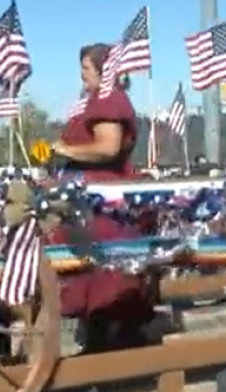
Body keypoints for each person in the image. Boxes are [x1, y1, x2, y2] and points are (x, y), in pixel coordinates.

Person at [49, 44, 155, 352]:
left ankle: (110, 339)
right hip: (85, 195)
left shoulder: (110, 101)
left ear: (103, 70)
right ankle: (99, 335)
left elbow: (108, 147)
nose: (82, 75)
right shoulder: (93, 101)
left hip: (103, 200)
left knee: (100, 268)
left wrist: (66, 150)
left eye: (86, 68)